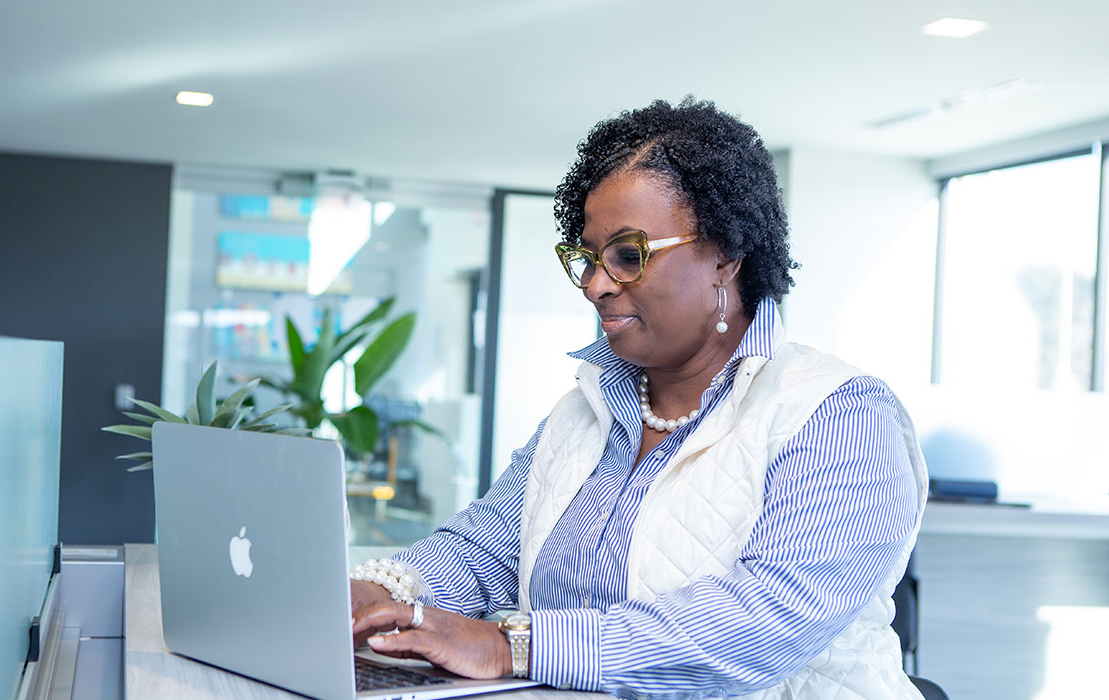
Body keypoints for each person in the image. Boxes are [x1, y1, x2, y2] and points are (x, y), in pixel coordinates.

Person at [351, 97, 928, 699]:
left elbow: (766, 622)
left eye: (628, 256)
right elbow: (483, 550)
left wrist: (510, 646)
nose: (596, 285)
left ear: (725, 255)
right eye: (590, 259)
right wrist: (381, 594)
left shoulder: (838, 413)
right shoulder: (588, 405)